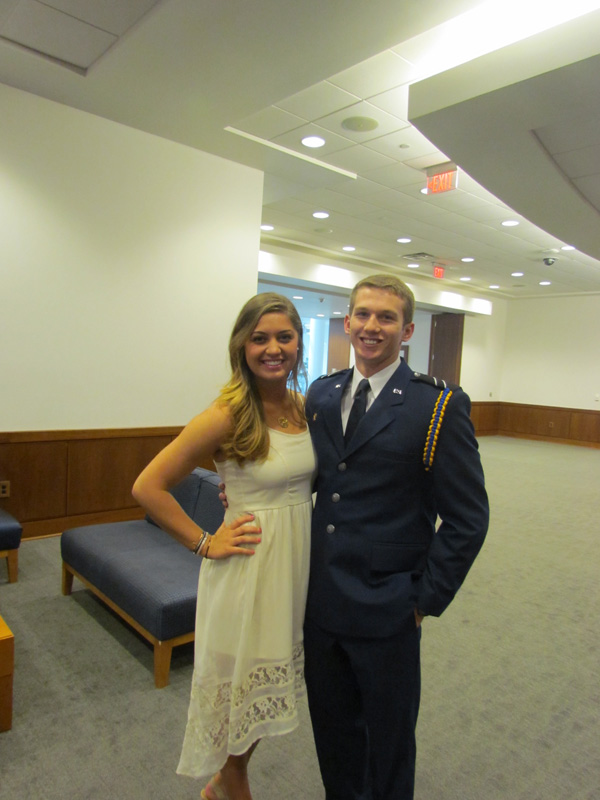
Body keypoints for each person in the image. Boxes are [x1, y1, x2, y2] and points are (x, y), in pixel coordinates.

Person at [303, 273, 489, 800]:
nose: (372, 326)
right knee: (334, 736)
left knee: (388, 744)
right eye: (363, 314)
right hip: (322, 602)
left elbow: (468, 518)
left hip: (388, 607)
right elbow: (311, 480)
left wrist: (424, 600)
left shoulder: (437, 407)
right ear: (347, 322)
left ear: (406, 330)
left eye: (387, 317)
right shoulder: (321, 394)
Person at [132, 293, 316, 800]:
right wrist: (204, 542)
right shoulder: (226, 413)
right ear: (241, 346)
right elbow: (148, 486)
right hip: (248, 567)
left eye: (284, 337)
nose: (273, 348)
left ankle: (227, 778)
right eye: (260, 338)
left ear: (299, 344)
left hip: (294, 566)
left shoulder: (303, 408)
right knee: (242, 681)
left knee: (269, 683)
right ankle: (231, 781)